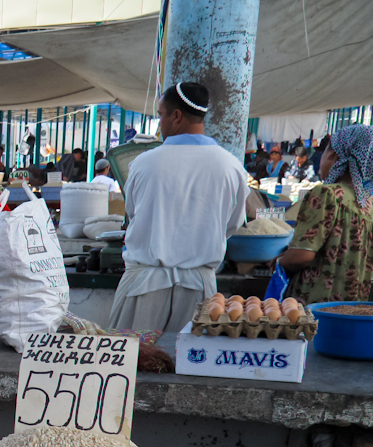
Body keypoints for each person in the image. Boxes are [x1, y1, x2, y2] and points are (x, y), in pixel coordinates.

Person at [107, 81, 249, 333]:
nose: (159, 123)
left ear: (176, 116)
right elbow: (232, 224)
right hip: (198, 290)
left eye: (161, 115)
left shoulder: (144, 163)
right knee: (187, 367)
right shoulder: (231, 166)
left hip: (144, 286)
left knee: (131, 363)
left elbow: (133, 214)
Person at [274, 126, 373, 304]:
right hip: (352, 306)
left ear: (334, 156)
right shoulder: (368, 204)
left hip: (313, 305)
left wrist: (280, 261)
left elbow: (301, 256)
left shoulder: (326, 194)